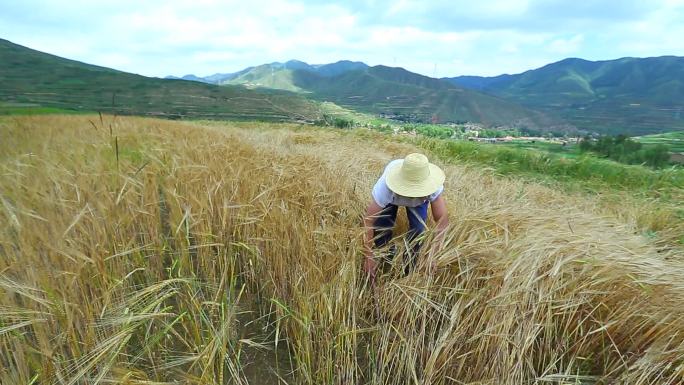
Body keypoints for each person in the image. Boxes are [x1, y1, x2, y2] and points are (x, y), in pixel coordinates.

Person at [363, 153, 449, 280]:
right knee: (382, 229)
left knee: (418, 231)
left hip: (420, 202)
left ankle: (409, 267)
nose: (412, 195)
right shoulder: (386, 187)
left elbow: (443, 222)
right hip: (392, 199)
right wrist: (368, 257)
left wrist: (433, 255)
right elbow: (368, 222)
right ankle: (385, 260)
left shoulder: (432, 187)